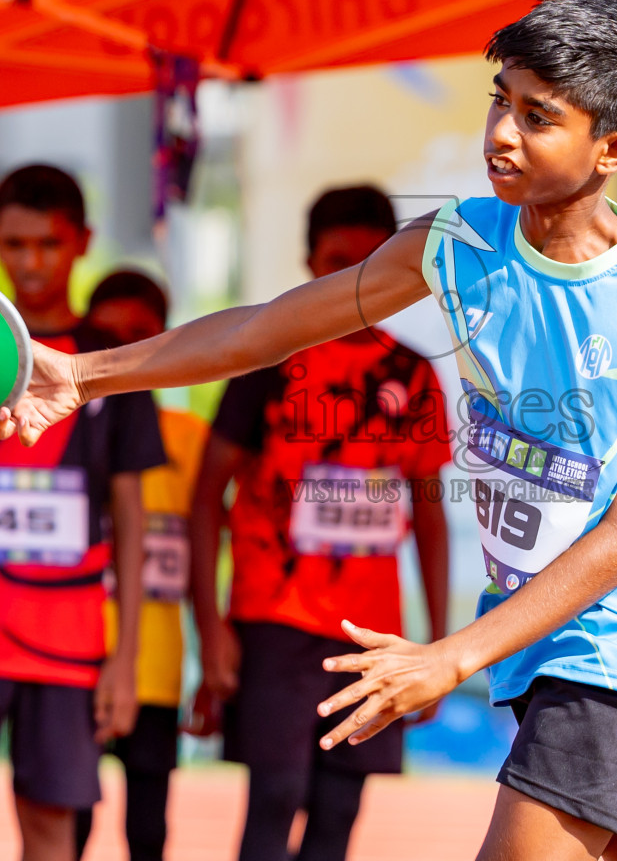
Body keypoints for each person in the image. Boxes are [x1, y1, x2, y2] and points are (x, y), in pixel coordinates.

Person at [0, 0, 617, 860]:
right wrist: (82, 374)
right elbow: (264, 330)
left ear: (615, 149)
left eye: (537, 117)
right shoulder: (455, 244)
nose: (502, 133)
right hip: (553, 643)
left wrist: (451, 655)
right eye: (500, 98)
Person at [0, 165, 166, 861]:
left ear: (81, 242)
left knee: (53, 833)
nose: (31, 261)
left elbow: (132, 522)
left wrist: (125, 659)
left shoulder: (117, 363)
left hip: (69, 649)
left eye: (47, 244)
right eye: (15, 245)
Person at [190, 185, 452, 861]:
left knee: (340, 807)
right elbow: (206, 493)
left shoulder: (413, 376)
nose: (355, 281)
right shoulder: (268, 360)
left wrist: (440, 645)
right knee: (275, 796)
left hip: (371, 634)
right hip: (274, 619)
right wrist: (211, 626)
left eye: (371, 264)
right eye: (339, 262)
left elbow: (428, 513)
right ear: (311, 263)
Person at [73, 270, 210, 861]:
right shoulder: (66, 429)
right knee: (68, 816)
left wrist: (212, 653)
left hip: (156, 669)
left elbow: (208, 554)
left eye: (142, 335)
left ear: (166, 339)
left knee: (149, 829)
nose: (125, 348)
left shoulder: (192, 439)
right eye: (112, 335)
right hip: (73, 658)